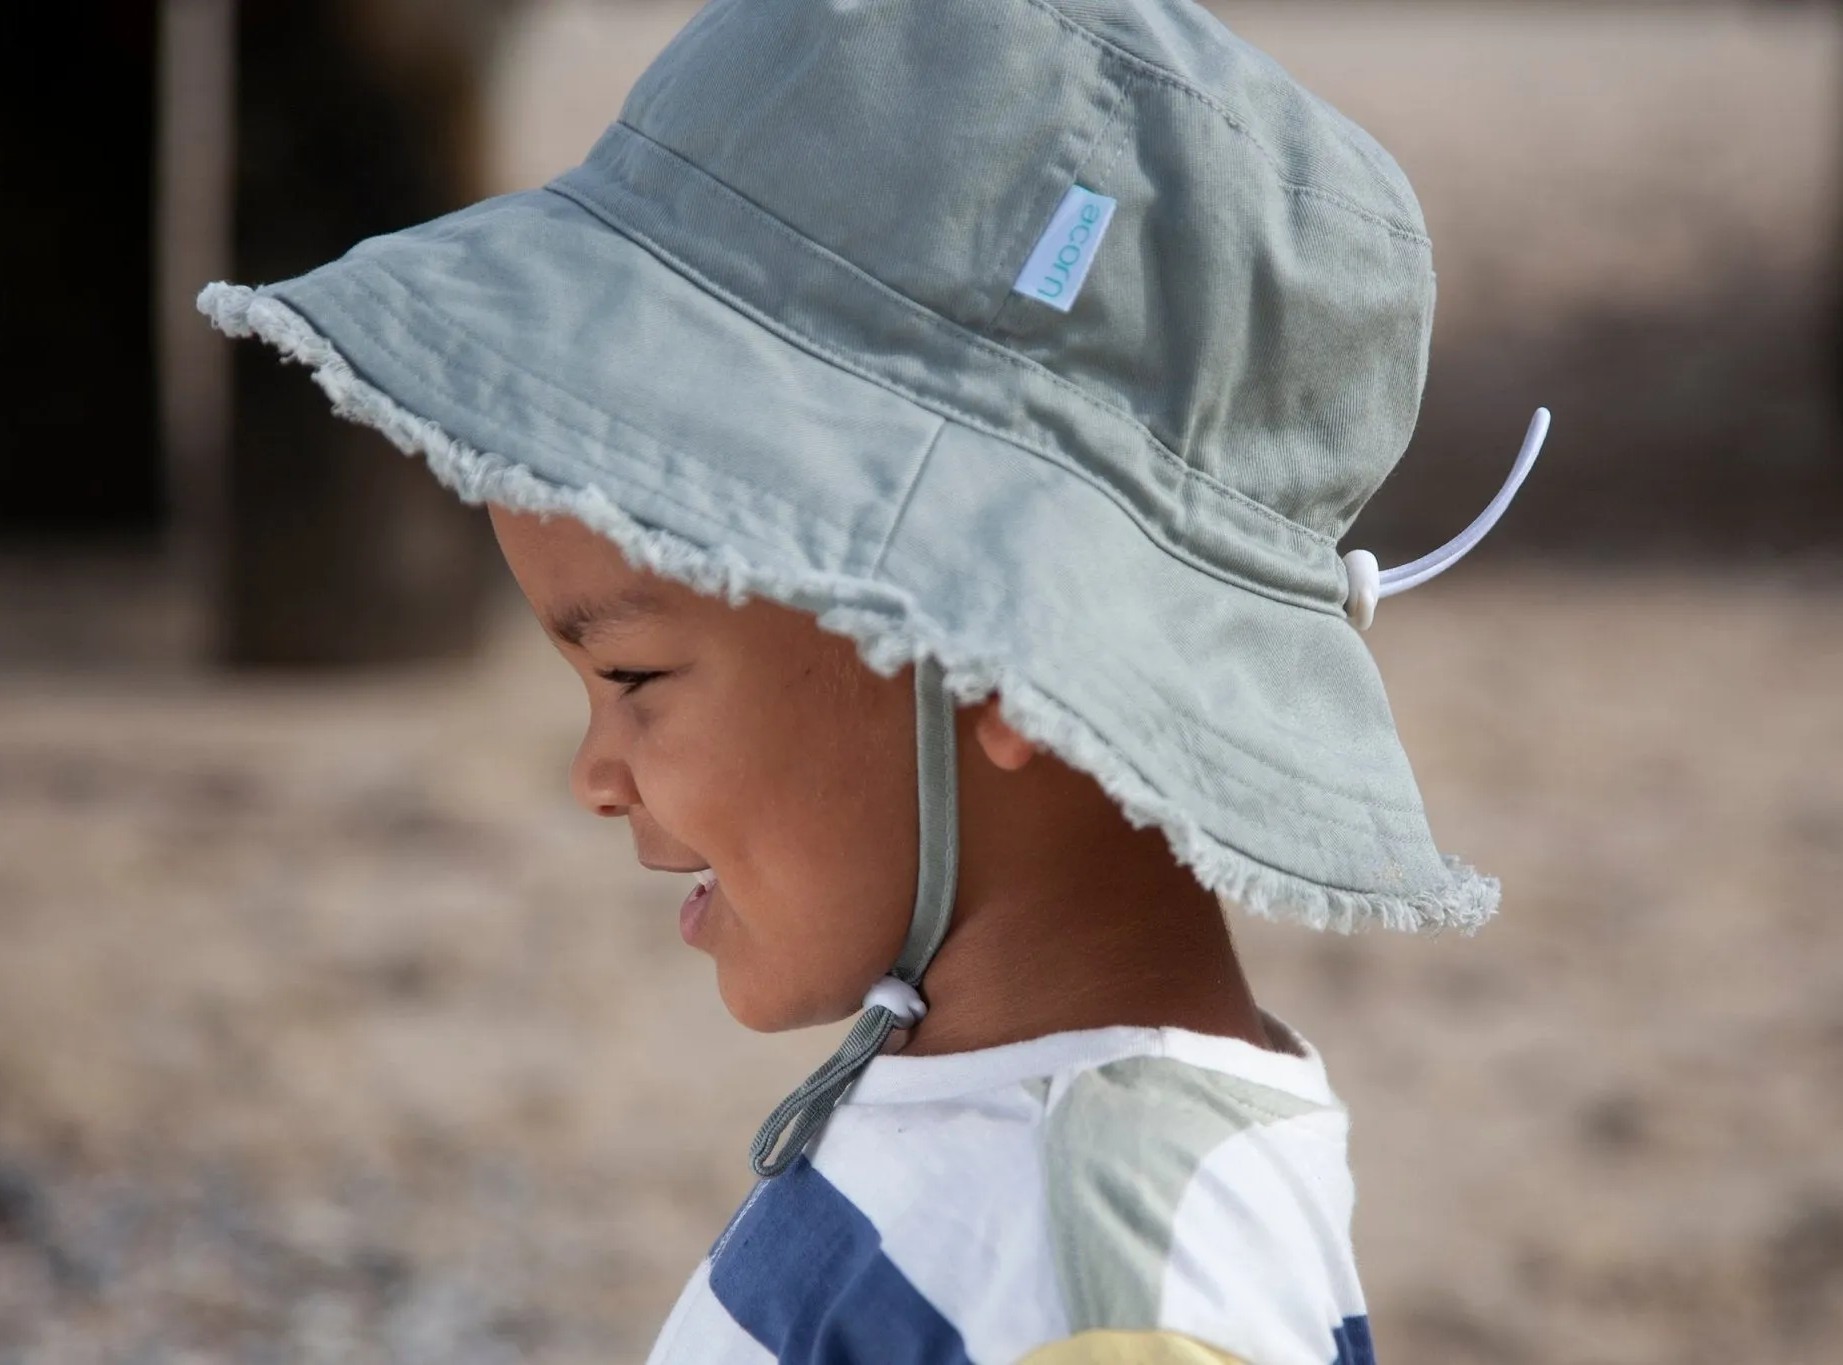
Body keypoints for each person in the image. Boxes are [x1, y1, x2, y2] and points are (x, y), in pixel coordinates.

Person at [199, 0, 1547, 1360]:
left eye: (633, 673)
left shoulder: (1106, 1285)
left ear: (1010, 661)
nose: (592, 776)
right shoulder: (1001, 1140)